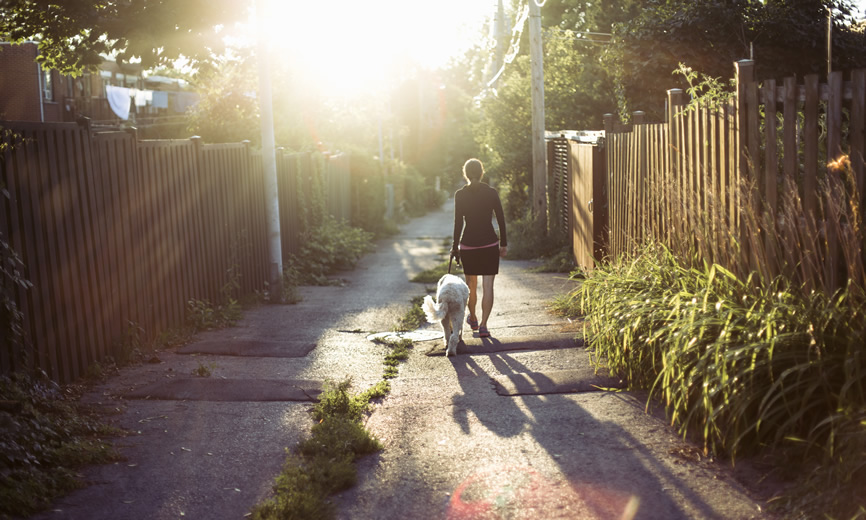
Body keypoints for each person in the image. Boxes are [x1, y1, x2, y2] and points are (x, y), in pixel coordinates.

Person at [451, 158, 507, 338]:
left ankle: (473, 317)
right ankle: (484, 325)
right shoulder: (491, 193)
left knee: (471, 286)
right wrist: (503, 243)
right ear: (482, 173)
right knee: (488, 286)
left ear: (465, 174)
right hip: (490, 244)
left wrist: (455, 247)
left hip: (468, 245)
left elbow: (458, 223)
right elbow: (500, 219)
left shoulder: (460, 195)